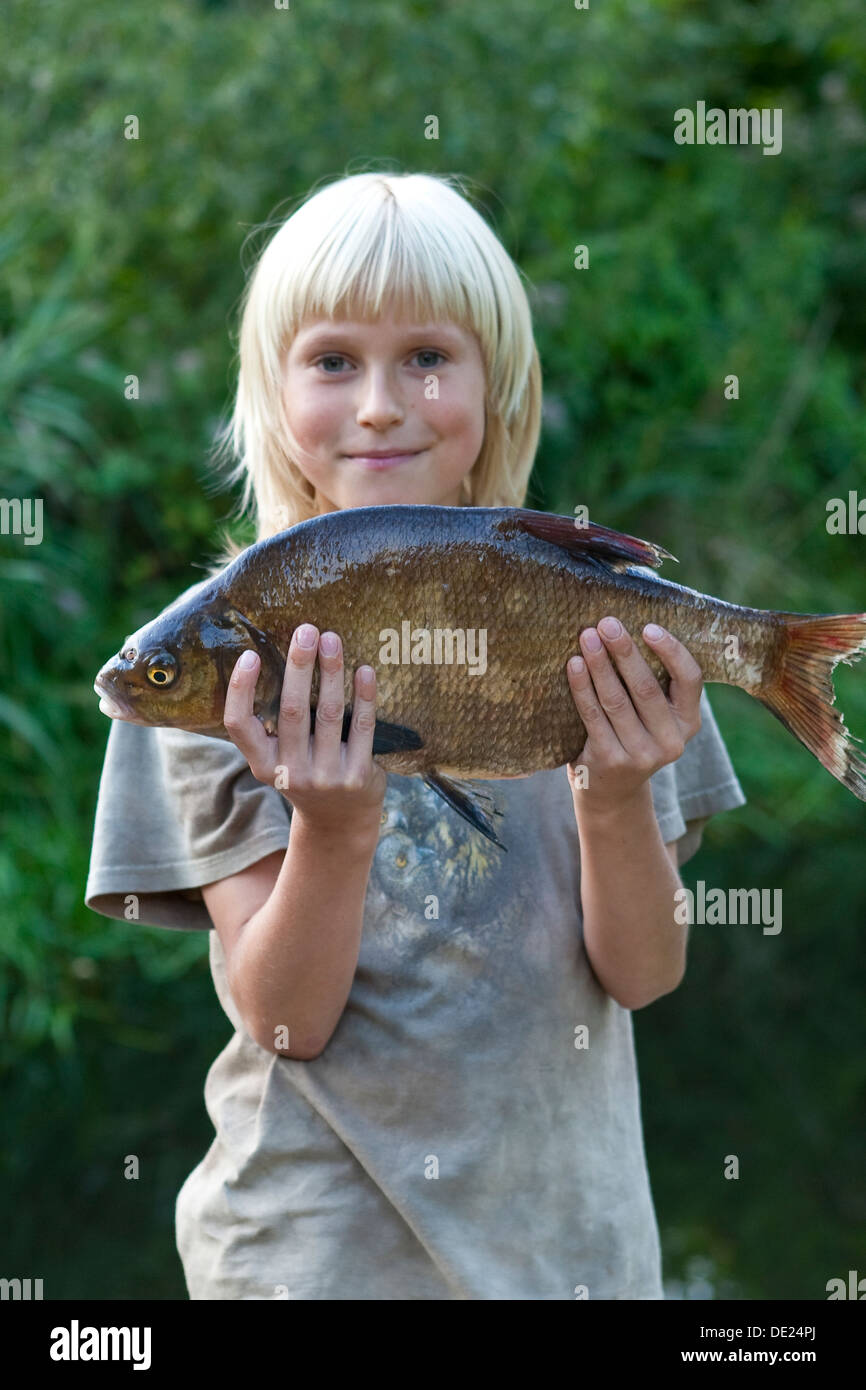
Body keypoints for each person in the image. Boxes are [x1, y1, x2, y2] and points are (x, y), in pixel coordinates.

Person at [85, 170, 746, 1300]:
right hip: (310, 1259)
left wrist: (612, 792)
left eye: (426, 359)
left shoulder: (588, 627)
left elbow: (640, 973)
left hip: (566, 1261)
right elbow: (286, 1020)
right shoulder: (220, 675)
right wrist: (332, 832)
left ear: (498, 389)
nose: (380, 404)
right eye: (333, 361)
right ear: (272, 393)